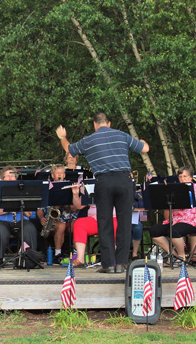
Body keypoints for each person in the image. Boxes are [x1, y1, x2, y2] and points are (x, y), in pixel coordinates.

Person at [56, 113, 149, 273]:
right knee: (124, 223)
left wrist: (62, 137)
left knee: (104, 223)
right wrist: (142, 142)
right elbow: (145, 148)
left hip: (104, 181)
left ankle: (108, 264)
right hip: (124, 180)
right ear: (109, 123)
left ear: (95, 125)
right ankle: (121, 263)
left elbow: (69, 149)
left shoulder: (89, 140)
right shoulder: (122, 135)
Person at [0, 166, 39, 269]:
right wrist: (7, 209)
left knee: (29, 227)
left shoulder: (23, 191)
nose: (10, 178)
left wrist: (21, 203)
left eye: (12, 176)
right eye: (7, 176)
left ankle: (30, 260)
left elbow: (29, 214)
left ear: (16, 178)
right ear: (2, 179)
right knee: (1, 230)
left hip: (17, 221)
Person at [148, 166, 196, 264]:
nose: (183, 179)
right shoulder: (175, 189)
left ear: (191, 177)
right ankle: (173, 254)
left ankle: (181, 255)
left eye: (185, 176)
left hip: (191, 221)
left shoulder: (195, 189)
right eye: (180, 176)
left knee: (174, 231)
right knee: (154, 230)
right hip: (175, 220)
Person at [37, 164, 78, 263]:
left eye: (61, 173)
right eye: (57, 173)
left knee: (76, 225)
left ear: (64, 175)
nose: (59, 175)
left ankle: (76, 254)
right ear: (52, 175)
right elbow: (39, 209)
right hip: (53, 219)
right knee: (61, 226)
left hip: (69, 217)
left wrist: (63, 204)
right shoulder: (46, 188)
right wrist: (41, 218)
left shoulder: (70, 187)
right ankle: (57, 254)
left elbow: (74, 208)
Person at [70, 185, 118, 267]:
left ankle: (113, 257)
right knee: (79, 223)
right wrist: (75, 194)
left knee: (118, 225)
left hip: (112, 218)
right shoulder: (92, 186)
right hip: (94, 219)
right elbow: (79, 206)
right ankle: (80, 258)